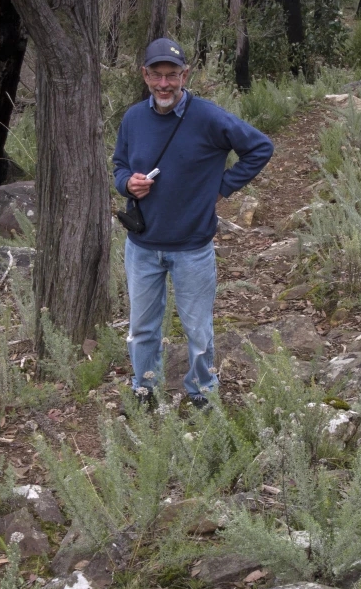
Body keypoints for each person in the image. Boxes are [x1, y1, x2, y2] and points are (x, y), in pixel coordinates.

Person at [113, 37, 274, 411]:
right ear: (145, 75)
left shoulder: (208, 117)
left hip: (193, 248)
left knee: (198, 331)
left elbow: (260, 147)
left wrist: (222, 187)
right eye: (157, 75)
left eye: (172, 75)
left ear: (186, 75)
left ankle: (202, 391)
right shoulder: (134, 118)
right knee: (142, 329)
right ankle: (143, 388)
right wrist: (127, 183)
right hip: (143, 245)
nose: (164, 84)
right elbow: (120, 164)